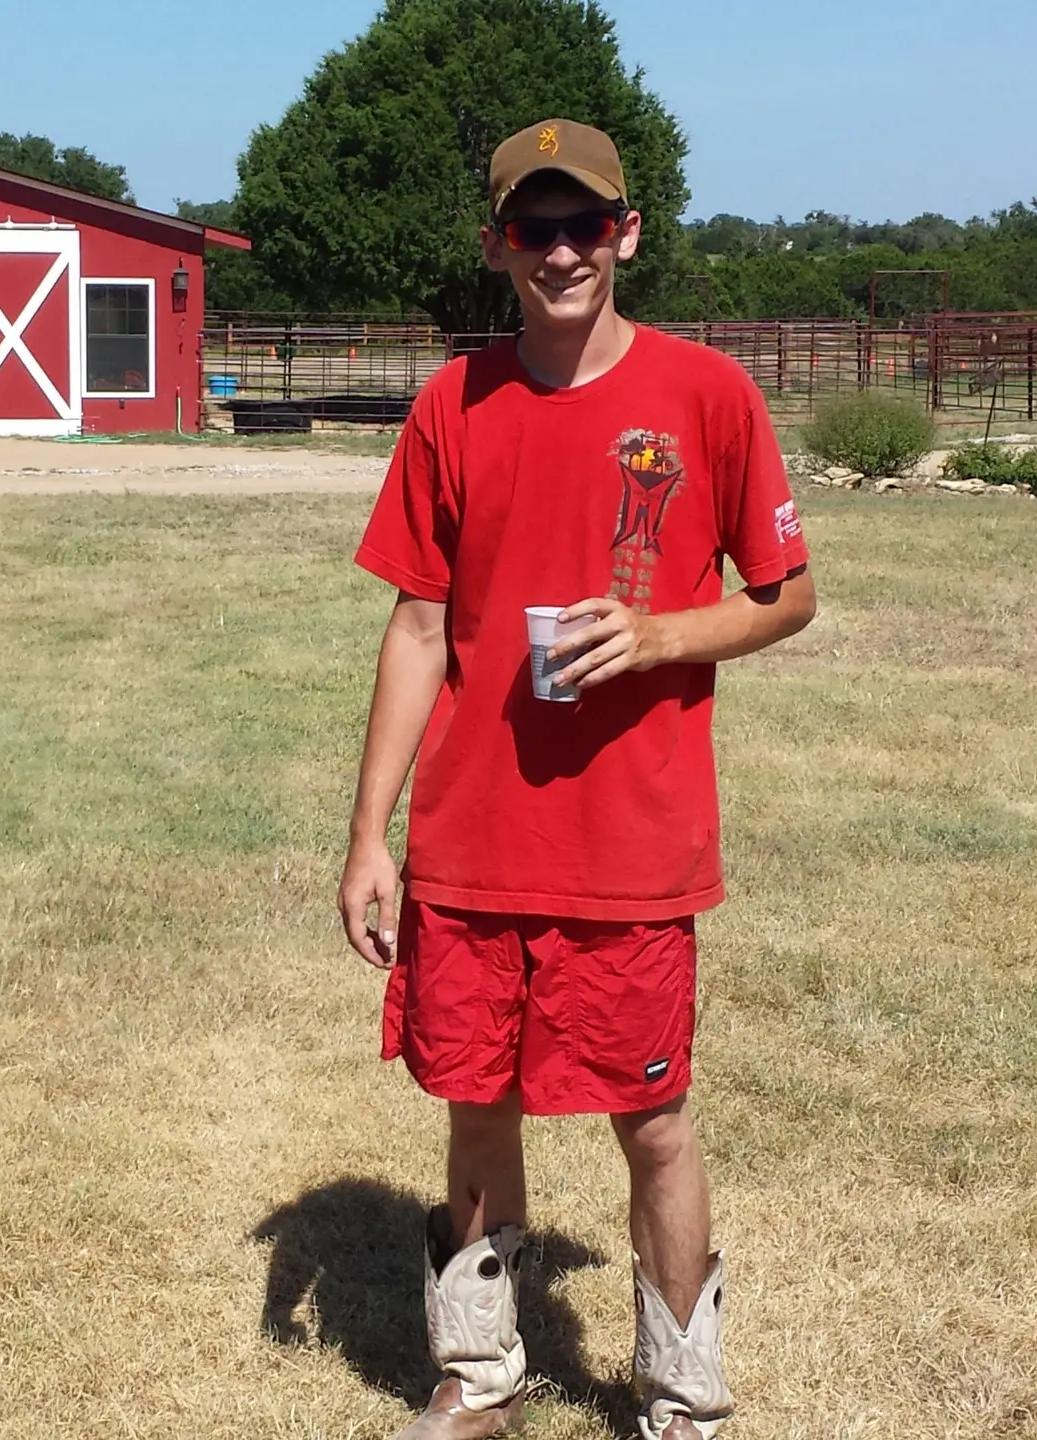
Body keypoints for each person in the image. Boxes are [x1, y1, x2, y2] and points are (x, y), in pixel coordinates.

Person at [337, 118, 817, 1440]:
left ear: (627, 234)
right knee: (475, 1107)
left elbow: (787, 595)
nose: (561, 252)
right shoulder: (454, 405)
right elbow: (418, 627)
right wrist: (371, 836)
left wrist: (662, 636)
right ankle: (479, 1369)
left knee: (652, 1121)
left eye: (585, 225)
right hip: (471, 842)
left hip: (631, 847)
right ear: (499, 244)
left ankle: (683, 1394)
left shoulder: (707, 396)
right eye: (533, 229)